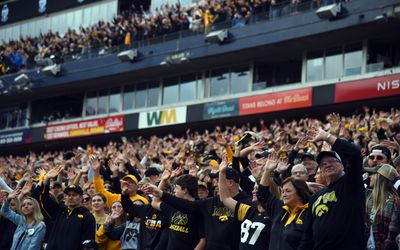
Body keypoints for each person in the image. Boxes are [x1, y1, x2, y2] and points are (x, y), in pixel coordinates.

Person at [144, 164, 252, 250]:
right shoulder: (211, 202)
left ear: (230, 183)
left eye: (219, 180)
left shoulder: (246, 203)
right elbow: (186, 205)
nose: (215, 184)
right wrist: (161, 193)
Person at [299, 127, 365, 250]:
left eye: (332, 161)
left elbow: (354, 154)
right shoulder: (316, 196)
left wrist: (327, 137)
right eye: (323, 163)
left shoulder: (351, 183)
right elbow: (307, 235)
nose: (327, 164)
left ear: (342, 165)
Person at [258, 154, 311, 250]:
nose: (284, 194)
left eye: (288, 191)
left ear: (300, 193)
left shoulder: (309, 214)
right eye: (282, 191)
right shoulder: (279, 208)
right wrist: (267, 171)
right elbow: (262, 194)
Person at [38, 165, 96, 250]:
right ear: (65, 197)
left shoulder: (87, 217)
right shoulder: (59, 211)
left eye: (74, 195)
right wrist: (47, 179)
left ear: (81, 198)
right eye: (68, 195)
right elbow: (44, 199)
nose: (71, 197)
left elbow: (87, 242)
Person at [219, 158, 272, 250]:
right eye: (254, 188)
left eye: (257, 189)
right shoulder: (249, 210)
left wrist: (266, 172)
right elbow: (225, 198)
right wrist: (222, 173)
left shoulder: (275, 214)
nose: (253, 191)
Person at [145, 172, 206, 250]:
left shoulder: (198, 209)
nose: (174, 190)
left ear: (185, 190)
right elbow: (155, 203)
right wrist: (163, 181)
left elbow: (203, 240)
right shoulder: (173, 206)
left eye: (176, 187)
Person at [364, 164, 400, 250]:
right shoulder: (369, 198)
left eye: (372, 174)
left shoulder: (395, 202)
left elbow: (392, 236)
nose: (369, 176)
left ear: (381, 178)